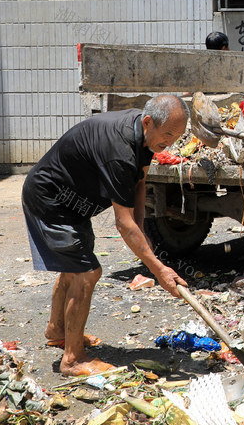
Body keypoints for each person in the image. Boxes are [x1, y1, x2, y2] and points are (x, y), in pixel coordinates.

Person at [22, 95, 189, 376]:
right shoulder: (120, 151)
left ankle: (57, 330)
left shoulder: (145, 133)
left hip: (74, 203)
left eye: (178, 137)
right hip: (50, 199)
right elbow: (122, 224)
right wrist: (158, 269)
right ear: (148, 122)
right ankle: (72, 360)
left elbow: (140, 181)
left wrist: (142, 233)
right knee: (87, 272)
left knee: (75, 266)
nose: (170, 143)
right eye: (168, 135)